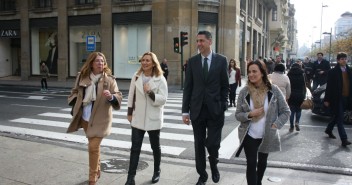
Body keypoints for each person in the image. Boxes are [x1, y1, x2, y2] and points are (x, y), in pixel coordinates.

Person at [67, 52, 122, 185]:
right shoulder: (82, 76)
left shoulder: (109, 79)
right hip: (86, 118)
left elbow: (118, 96)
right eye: (97, 61)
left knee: (92, 147)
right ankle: (97, 169)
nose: (100, 64)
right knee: (95, 148)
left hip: (101, 119)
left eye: (102, 61)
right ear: (91, 63)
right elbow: (74, 91)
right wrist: (76, 101)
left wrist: (111, 97)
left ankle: (92, 177)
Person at [182, 30, 229, 185]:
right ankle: (202, 176)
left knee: (213, 143)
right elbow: (188, 87)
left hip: (216, 109)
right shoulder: (193, 61)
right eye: (197, 41)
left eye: (201, 41)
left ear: (210, 41)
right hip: (197, 110)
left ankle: (214, 163)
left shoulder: (221, 60)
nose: (199, 44)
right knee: (198, 144)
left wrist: (223, 104)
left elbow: (225, 86)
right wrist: (185, 111)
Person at [235, 60, 290, 185]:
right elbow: (238, 114)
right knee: (251, 163)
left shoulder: (273, 90)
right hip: (249, 135)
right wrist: (250, 114)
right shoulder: (244, 92)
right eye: (249, 72)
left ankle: (258, 181)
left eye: (254, 71)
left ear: (262, 73)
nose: (251, 74)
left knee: (262, 163)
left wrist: (276, 124)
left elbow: (286, 111)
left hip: (267, 134)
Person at [125, 52, 168, 185]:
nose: (144, 62)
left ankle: (157, 171)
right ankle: (130, 178)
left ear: (153, 63)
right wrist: (129, 112)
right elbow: (131, 94)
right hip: (138, 118)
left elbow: (163, 99)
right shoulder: (136, 76)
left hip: (153, 118)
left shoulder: (160, 78)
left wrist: (150, 93)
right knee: (135, 148)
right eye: (143, 60)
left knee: (155, 147)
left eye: (147, 60)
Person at [324, 52, 352, 147]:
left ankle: (328, 129)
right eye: (342, 59)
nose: (344, 60)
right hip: (337, 98)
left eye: (345, 59)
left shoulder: (349, 70)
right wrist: (326, 99)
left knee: (337, 116)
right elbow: (329, 87)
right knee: (340, 119)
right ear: (338, 60)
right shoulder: (333, 72)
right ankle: (344, 139)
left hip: (347, 97)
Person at [287, 63, 306, 132]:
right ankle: (297, 122)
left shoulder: (289, 75)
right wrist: (304, 94)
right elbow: (304, 85)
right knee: (298, 110)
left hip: (291, 94)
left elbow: (287, 85)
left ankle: (291, 126)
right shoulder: (302, 74)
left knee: (291, 111)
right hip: (300, 94)